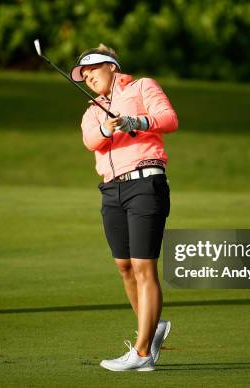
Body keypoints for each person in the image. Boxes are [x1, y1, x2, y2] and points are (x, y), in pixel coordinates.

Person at [70, 44, 178, 372]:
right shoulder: (92, 110)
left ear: (112, 66)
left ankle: (143, 351)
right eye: (83, 76)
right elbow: (91, 140)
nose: (88, 78)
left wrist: (135, 120)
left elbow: (169, 119)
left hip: (146, 182)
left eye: (92, 70)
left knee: (144, 265)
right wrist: (108, 127)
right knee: (124, 266)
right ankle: (152, 326)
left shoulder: (142, 86)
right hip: (111, 189)